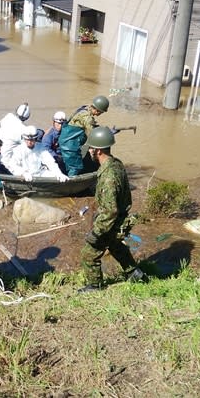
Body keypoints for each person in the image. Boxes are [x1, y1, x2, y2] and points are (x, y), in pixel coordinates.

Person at [78, 126, 147, 293]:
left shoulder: (109, 176)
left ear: (98, 150)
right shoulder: (116, 163)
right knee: (116, 246)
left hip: (113, 222)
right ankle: (135, 273)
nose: (89, 151)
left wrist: (96, 233)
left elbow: (110, 211)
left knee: (89, 253)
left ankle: (95, 286)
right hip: (121, 219)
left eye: (91, 148)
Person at [60, 95, 109, 176]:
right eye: (101, 112)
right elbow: (93, 134)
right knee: (75, 167)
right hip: (69, 144)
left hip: (70, 142)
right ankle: (69, 186)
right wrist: (107, 134)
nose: (99, 114)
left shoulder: (84, 109)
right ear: (97, 110)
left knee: (74, 165)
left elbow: (91, 127)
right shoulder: (87, 117)